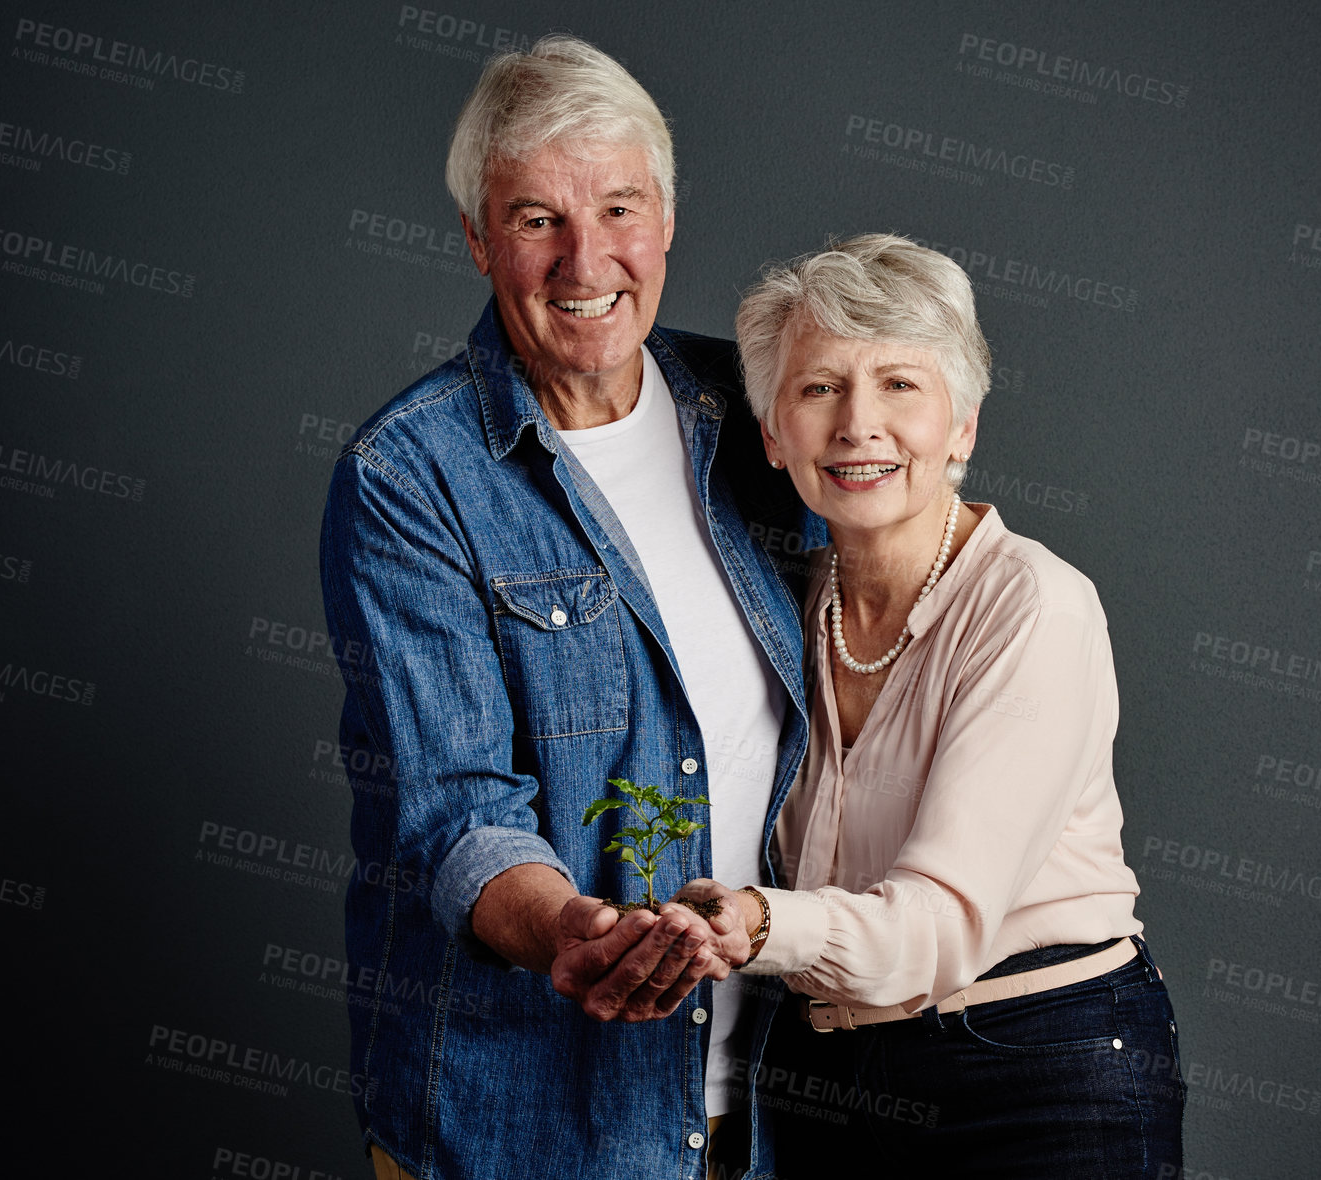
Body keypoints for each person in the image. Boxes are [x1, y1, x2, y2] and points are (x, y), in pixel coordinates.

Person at [319, 35, 821, 1180]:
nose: (584, 256)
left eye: (618, 207)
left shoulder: (751, 420)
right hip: (528, 1126)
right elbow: (452, 814)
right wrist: (574, 933)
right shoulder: (413, 473)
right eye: (537, 217)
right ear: (477, 238)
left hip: (760, 1113)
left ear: (668, 219)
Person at [679, 234, 1185, 1177]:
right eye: (819, 387)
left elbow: (941, 927)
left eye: (901, 385)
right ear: (772, 435)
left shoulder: (1034, 605)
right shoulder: (775, 605)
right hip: (826, 1070)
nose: (858, 424)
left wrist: (756, 923)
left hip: (1037, 1065)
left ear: (964, 428)